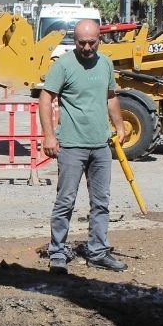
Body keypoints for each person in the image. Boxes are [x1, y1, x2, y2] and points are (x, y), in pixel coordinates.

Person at [38, 19, 128, 274]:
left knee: (101, 202)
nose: (87, 47)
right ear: (74, 40)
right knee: (65, 201)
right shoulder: (63, 65)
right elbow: (45, 100)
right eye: (81, 42)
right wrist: (49, 136)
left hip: (100, 145)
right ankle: (57, 252)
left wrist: (119, 126)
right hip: (72, 146)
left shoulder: (106, 63)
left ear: (100, 38)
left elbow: (110, 97)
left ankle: (98, 252)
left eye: (92, 42)